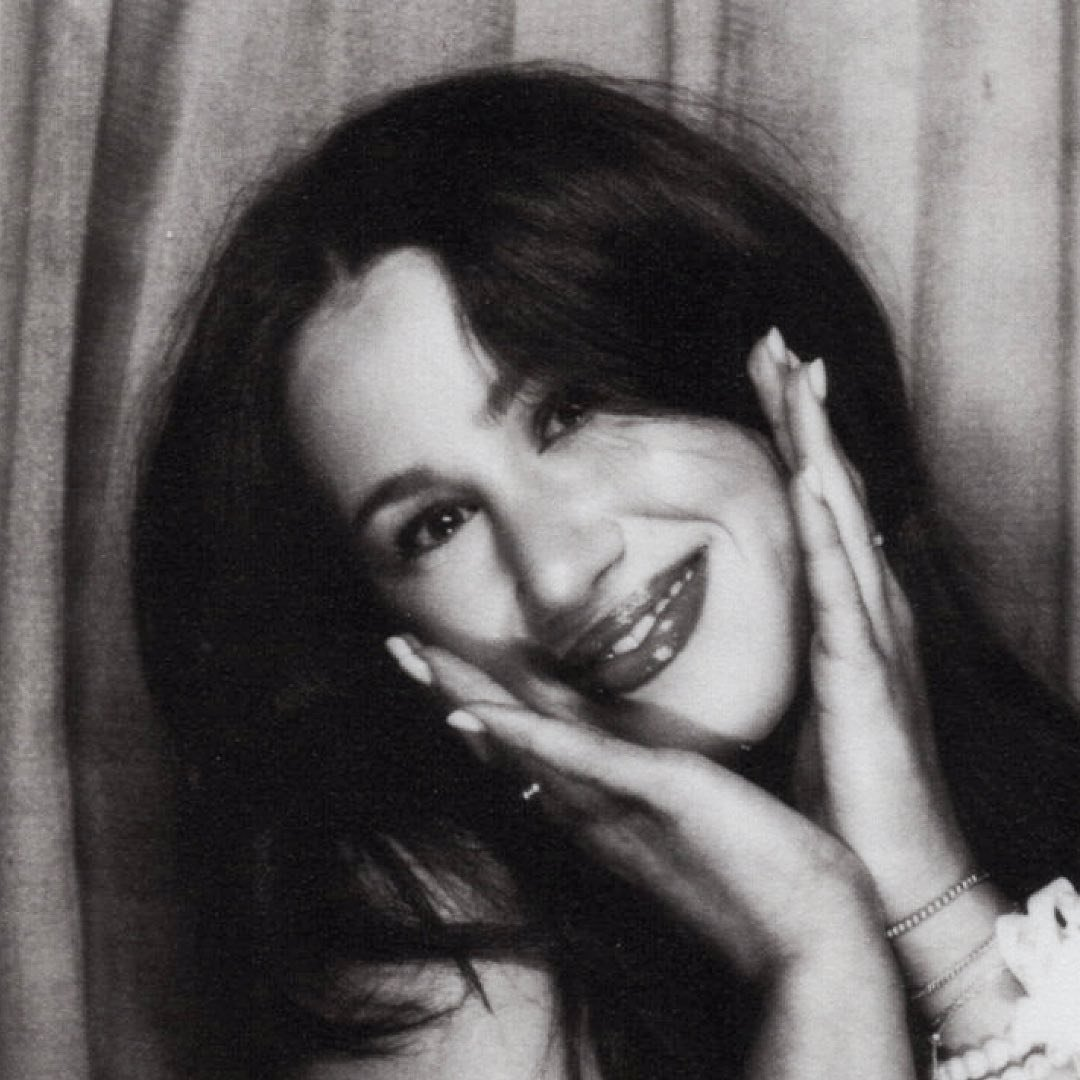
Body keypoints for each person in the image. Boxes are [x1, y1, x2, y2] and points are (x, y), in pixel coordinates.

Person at [134, 66, 1080, 1079]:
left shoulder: (1037, 776)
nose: (555, 569)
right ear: (375, 624)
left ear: (761, 381)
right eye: (438, 524)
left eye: (570, 411)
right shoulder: (428, 959)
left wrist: (939, 916)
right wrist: (818, 951)